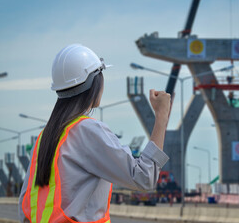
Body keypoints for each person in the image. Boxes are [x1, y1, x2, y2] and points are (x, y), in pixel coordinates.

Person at [18, 44, 170, 222]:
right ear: (94, 83)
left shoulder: (45, 137)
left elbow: (26, 205)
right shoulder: (86, 130)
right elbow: (144, 177)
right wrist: (161, 117)